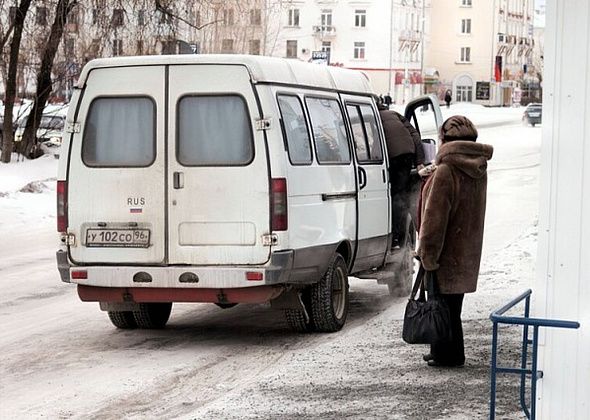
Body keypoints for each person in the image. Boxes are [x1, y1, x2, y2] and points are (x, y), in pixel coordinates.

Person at [417, 116, 493, 367]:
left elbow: (434, 220)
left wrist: (427, 254)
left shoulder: (447, 171)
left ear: (445, 140)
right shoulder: (477, 168)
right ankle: (441, 351)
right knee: (451, 307)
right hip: (466, 250)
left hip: (444, 252)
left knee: (442, 305)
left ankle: (450, 356)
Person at [378, 102, 425, 248]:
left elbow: (375, 142)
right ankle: (399, 238)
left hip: (392, 156)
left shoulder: (374, 116)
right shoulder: (395, 115)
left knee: (395, 196)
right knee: (401, 195)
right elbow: (415, 134)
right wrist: (419, 161)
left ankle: (395, 237)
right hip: (407, 154)